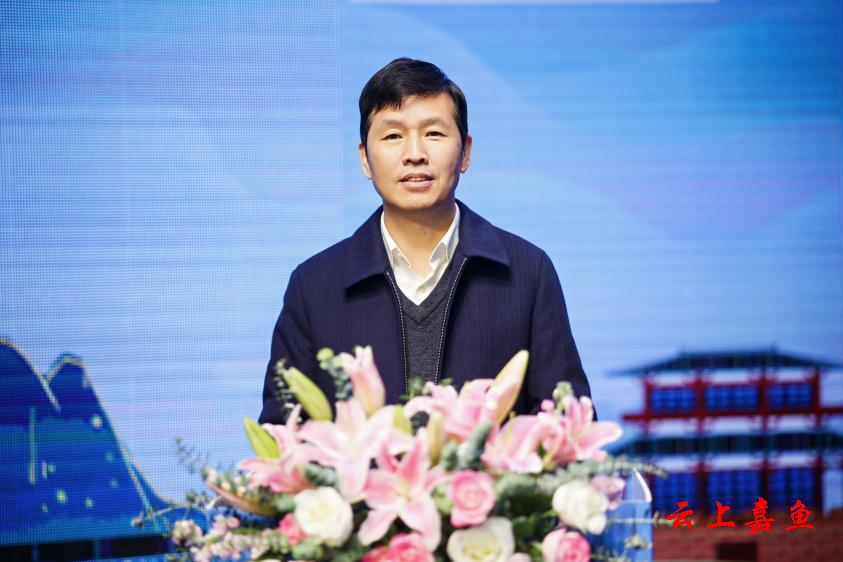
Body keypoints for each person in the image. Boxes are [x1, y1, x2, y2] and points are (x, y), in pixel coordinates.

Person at [259, 58, 591, 424]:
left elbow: (567, 425)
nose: (414, 154)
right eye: (393, 136)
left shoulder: (527, 273)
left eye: (433, 134)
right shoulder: (314, 286)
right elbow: (282, 437)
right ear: (365, 159)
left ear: (465, 152)